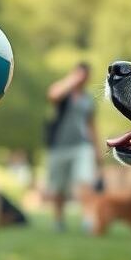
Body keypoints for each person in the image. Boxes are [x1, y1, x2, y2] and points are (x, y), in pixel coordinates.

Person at [44, 62, 100, 231]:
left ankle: (88, 220)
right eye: (79, 74)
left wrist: (97, 150)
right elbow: (53, 96)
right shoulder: (63, 91)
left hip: (82, 146)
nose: (82, 78)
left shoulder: (88, 99)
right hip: (59, 146)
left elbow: (91, 125)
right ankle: (59, 221)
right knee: (58, 187)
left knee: (85, 181)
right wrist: (71, 80)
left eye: (84, 76)